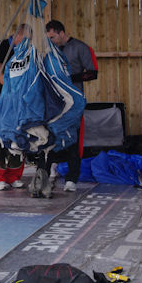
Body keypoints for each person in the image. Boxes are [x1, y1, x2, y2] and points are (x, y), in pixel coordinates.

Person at [44, 19, 98, 192]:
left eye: (52, 37)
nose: (50, 41)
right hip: (53, 103)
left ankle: (72, 179)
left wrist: (67, 79)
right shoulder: (49, 52)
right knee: (49, 137)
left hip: (73, 103)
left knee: (73, 139)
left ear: (61, 33)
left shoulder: (81, 48)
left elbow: (92, 73)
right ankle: (46, 173)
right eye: (48, 38)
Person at [0, 25, 28, 191]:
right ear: (16, 35)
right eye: (26, 38)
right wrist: (18, 89)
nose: (28, 42)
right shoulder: (1, 47)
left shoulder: (26, 52)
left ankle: (14, 175)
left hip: (15, 97)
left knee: (18, 134)